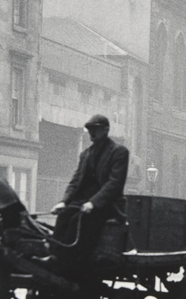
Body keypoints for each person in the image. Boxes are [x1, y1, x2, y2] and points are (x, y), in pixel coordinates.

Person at [51, 114, 129, 272]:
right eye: (89, 129)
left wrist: (94, 203)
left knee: (78, 221)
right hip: (83, 202)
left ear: (106, 130)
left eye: (95, 129)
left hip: (108, 206)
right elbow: (76, 181)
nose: (91, 132)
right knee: (64, 215)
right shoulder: (86, 154)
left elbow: (114, 184)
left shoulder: (119, 152)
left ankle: (73, 263)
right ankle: (54, 257)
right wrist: (64, 202)